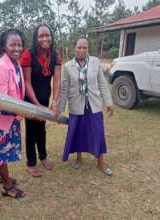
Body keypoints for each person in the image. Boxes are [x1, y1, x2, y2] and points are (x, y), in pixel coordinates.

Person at [58, 36, 114, 176]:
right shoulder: (68, 66)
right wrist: (59, 109)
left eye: (85, 47)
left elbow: (102, 83)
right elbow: (64, 89)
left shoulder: (95, 62)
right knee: (78, 132)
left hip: (93, 105)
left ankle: (100, 161)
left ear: (88, 49)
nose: (82, 50)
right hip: (76, 105)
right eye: (79, 47)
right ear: (74, 48)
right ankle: (78, 158)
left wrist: (108, 102)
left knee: (98, 132)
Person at [0, 29, 26, 198]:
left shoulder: (16, 63)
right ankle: (7, 186)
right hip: (1, 119)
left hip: (13, 117)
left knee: (5, 151)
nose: (17, 48)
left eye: (19, 44)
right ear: (4, 46)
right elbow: (1, 101)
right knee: (0, 153)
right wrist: (26, 111)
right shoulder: (0, 66)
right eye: (13, 44)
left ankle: (4, 177)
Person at [20, 24, 62, 177]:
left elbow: (57, 81)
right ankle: (31, 163)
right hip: (30, 99)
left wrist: (55, 102)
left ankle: (43, 156)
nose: (45, 38)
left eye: (47, 35)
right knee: (31, 131)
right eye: (41, 36)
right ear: (36, 38)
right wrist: (36, 105)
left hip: (45, 97)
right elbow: (27, 82)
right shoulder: (28, 55)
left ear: (51, 37)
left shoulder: (55, 55)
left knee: (42, 129)